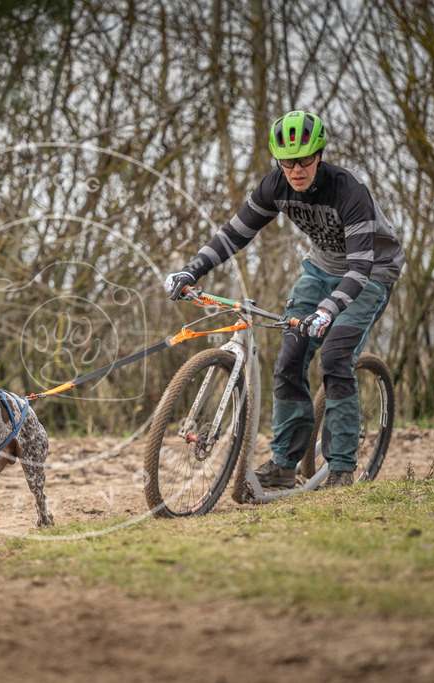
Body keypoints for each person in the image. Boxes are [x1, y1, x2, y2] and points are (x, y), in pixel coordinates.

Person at [163, 110, 404, 489]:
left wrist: (328, 309)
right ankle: (283, 464)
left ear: (319, 155)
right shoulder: (275, 186)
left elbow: (359, 268)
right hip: (321, 268)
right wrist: (192, 271)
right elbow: (233, 235)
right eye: (288, 161)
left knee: (335, 357)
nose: (296, 169)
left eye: (305, 159)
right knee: (290, 358)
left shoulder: (349, 191)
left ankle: (341, 467)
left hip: (372, 271)